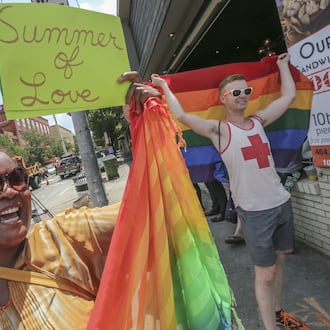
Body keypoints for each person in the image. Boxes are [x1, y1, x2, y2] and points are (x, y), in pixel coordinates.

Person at [118, 53, 310, 330]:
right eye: (236, 92)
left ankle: (279, 313)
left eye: (247, 91)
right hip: (254, 212)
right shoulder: (218, 130)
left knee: (279, 260)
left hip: (280, 203)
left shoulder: (258, 121)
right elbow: (181, 115)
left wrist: (282, 66)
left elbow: (287, 97)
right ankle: (269, 326)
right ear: (223, 98)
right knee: (265, 273)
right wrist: (164, 87)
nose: (243, 95)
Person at [0, 148, 118, 328]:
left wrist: (158, 129)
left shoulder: (61, 237)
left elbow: (149, 209)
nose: (10, 192)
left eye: (16, 177)